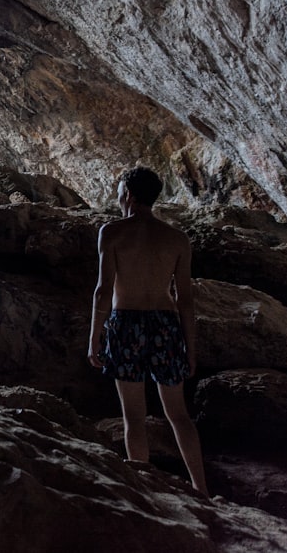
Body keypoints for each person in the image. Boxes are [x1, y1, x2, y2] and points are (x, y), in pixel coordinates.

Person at [88, 166, 208, 496]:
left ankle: (144, 491)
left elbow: (103, 289)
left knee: (134, 418)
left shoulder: (111, 233)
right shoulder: (176, 239)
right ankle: (202, 490)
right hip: (165, 327)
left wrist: (94, 338)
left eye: (118, 188)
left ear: (127, 193)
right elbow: (185, 300)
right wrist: (190, 349)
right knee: (179, 415)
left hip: (126, 324)